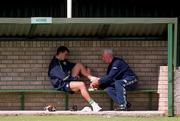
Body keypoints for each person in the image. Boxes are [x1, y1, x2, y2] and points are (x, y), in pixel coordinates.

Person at [48, 46, 102, 112]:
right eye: (66, 54)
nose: (67, 57)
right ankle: (94, 105)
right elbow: (64, 78)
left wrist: (85, 69)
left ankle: (91, 78)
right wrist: (75, 78)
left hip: (68, 81)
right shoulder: (55, 65)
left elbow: (74, 66)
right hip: (61, 84)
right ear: (60, 53)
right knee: (81, 84)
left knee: (79, 65)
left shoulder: (63, 61)